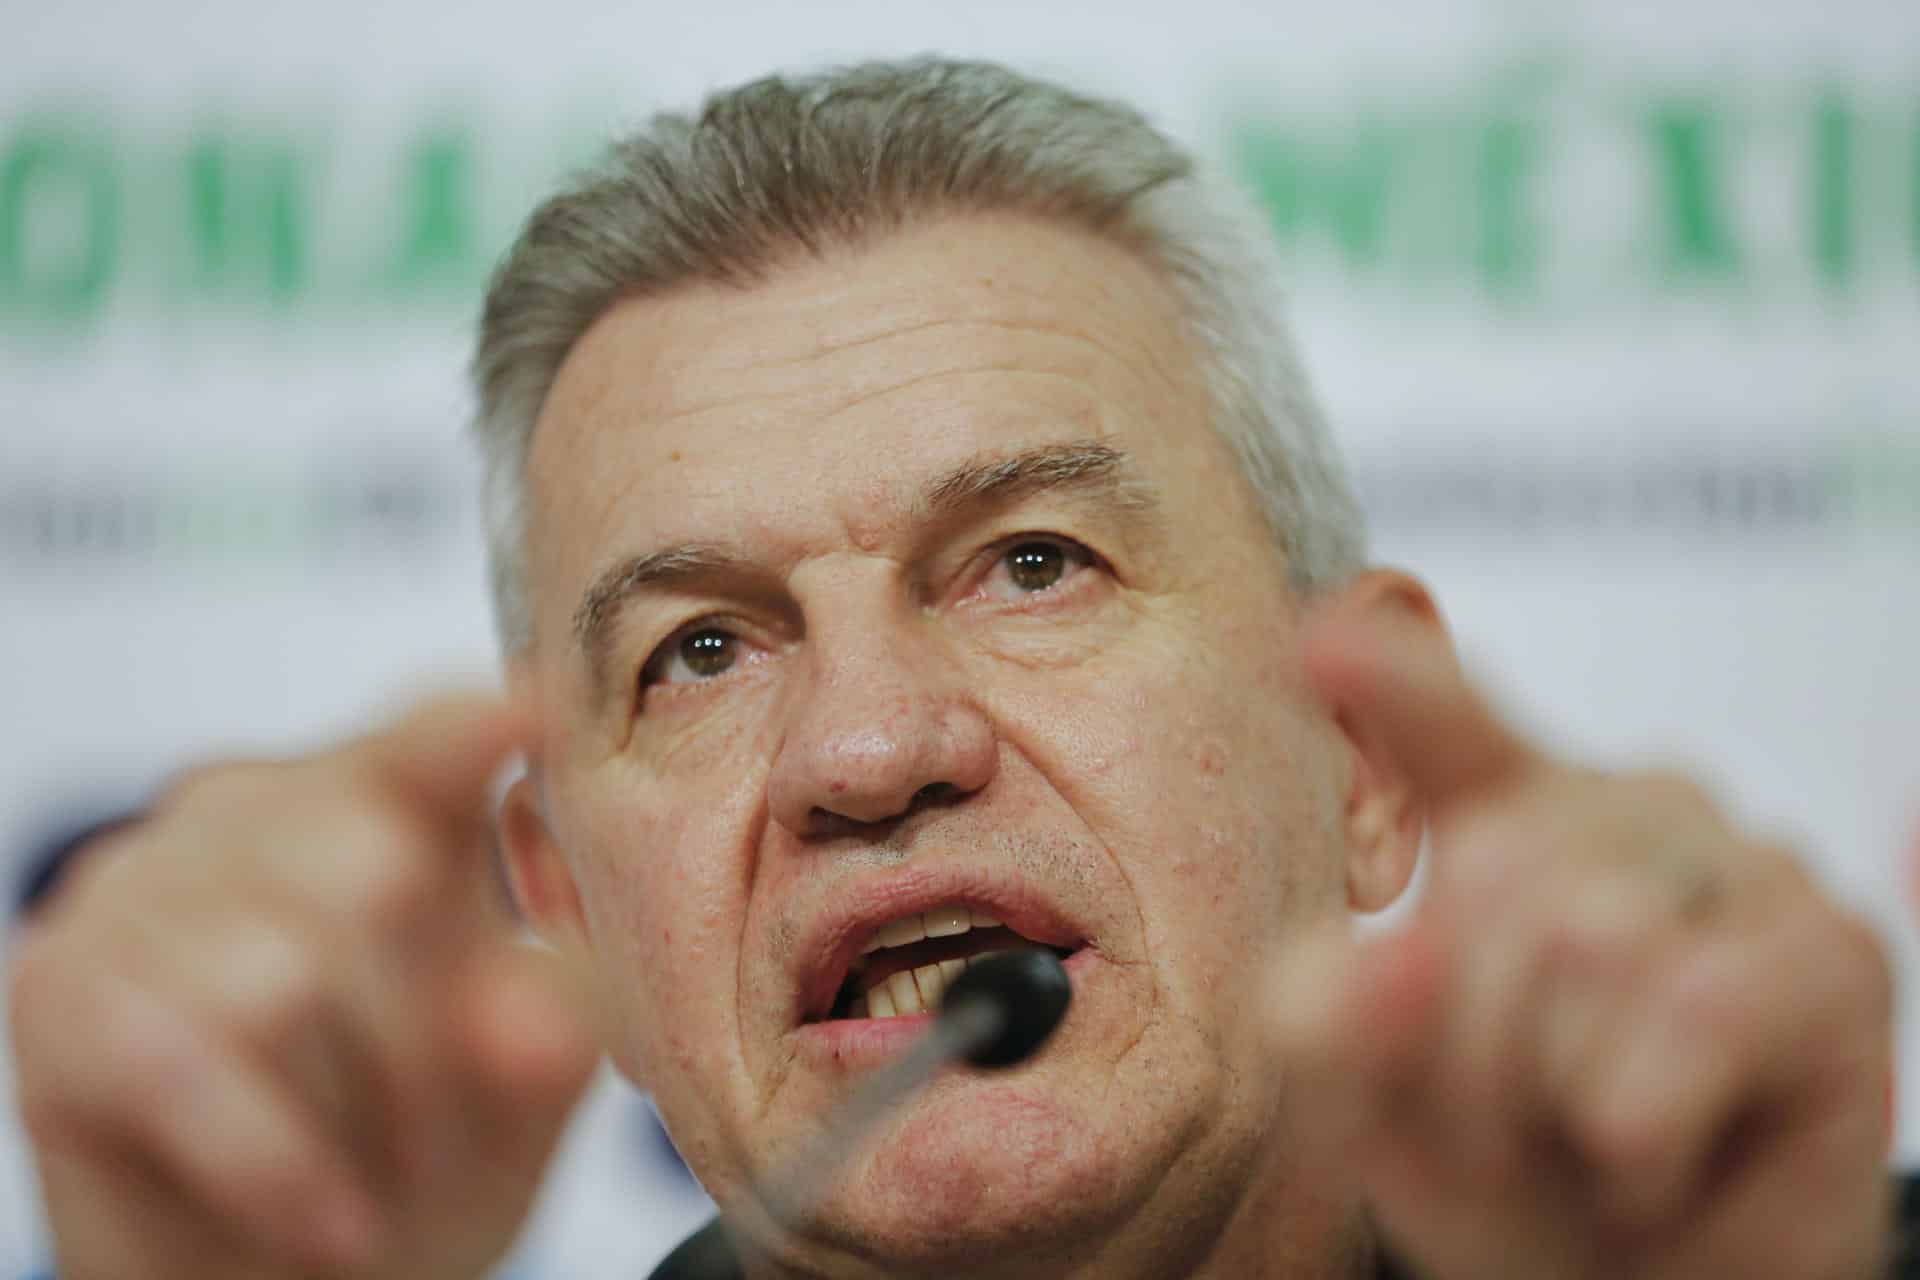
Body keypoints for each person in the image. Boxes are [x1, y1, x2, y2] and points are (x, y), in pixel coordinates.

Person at [8, 58, 1909, 1280]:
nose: (869, 744)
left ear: (1361, 752)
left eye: (1028, 563)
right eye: (702, 651)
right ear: (562, 899)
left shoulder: (1776, 1253)